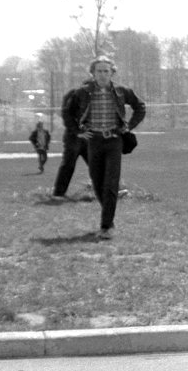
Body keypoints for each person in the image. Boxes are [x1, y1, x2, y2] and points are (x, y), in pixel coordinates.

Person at [60, 56, 146, 239]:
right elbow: (67, 112)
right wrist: (77, 131)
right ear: (92, 73)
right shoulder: (82, 92)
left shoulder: (121, 91)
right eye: (99, 71)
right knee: (97, 181)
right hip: (94, 141)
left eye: (106, 71)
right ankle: (108, 214)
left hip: (114, 140)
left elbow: (140, 107)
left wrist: (129, 126)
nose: (102, 74)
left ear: (112, 73)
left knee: (111, 182)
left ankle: (107, 226)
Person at [50, 89, 90, 200]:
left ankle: (109, 191)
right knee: (68, 164)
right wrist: (77, 132)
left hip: (89, 136)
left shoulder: (98, 94)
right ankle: (59, 194)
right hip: (74, 137)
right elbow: (66, 116)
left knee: (97, 165)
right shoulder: (74, 94)